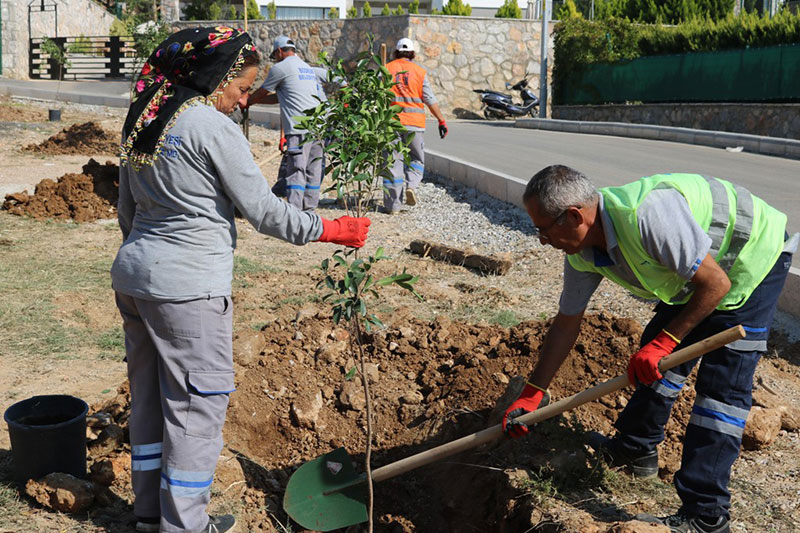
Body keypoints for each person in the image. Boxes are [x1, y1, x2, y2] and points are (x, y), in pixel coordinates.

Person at [112, 27, 370, 533]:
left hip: (135, 279)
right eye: (240, 86)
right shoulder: (207, 125)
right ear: (216, 77)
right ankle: (185, 527)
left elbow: (126, 209)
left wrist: (146, 258)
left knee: (149, 398)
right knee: (195, 409)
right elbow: (265, 211)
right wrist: (330, 228)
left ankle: (149, 516)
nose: (244, 98)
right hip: (188, 289)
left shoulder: (145, 118)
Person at [501, 165, 796, 533]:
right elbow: (566, 323)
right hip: (698, 271)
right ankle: (636, 447)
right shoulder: (582, 253)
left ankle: (707, 514)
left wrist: (665, 342)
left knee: (721, 392)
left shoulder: (646, 216)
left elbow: (716, 284)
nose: (542, 239)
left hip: (753, 257)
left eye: (543, 229)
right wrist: (533, 393)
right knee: (652, 360)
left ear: (575, 216)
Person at [247, 35, 325, 211]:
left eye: (275, 56)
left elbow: (263, 92)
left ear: (280, 52)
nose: (275, 59)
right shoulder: (305, 68)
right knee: (313, 170)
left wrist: (249, 101)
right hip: (318, 127)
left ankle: (295, 212)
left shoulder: (280, 68)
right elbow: (280, 97)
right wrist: (252, 101)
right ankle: (310, 210)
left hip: (299, 128)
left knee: (297, 170)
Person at [383, 37, 448, 214]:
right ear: (412, 53)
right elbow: (430, 99)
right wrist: (441, 120)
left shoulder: (386, 69)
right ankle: (411, 185)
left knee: (391, 163)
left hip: (391, 123)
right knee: (416, 159)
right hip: (415, 125)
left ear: (396, 52)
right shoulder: (420, 72)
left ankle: (392, 206)